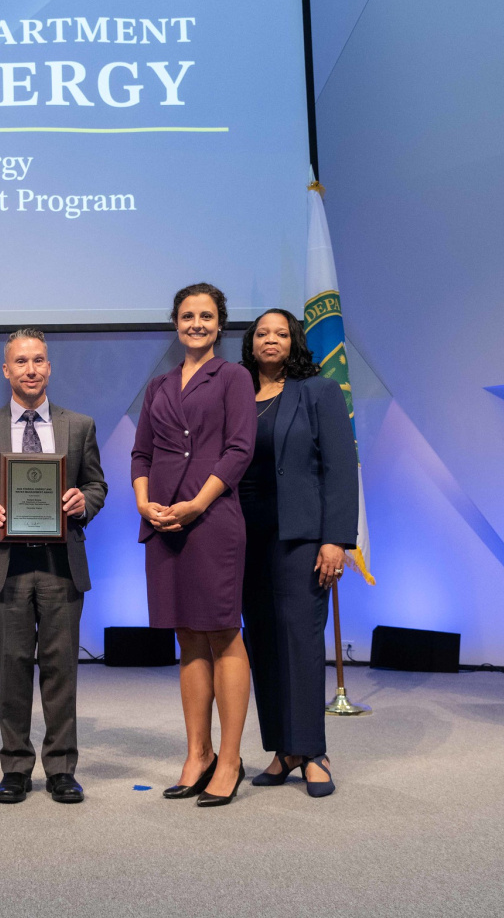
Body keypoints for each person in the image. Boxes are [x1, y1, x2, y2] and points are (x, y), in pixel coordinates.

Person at [0, 328, 107, 804]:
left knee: (62, 669)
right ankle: (16, 768)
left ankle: (62, 768)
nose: (31, 370)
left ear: (49, 367)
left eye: (39, 360)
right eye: (21, 362)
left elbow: (98, 486)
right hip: (5, 566)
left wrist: (84, 501)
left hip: (61, 565)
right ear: (6, 370)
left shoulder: (79, 425)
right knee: (12, 668)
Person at [130, 283, 256, 807]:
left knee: (223, 634)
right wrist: (143, 503)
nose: (196, 324)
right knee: (187, 638)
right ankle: (197, 754)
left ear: (219, 324)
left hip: (212, 520)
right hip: (163, 525)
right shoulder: (158, 385)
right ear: (175, 323)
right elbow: (141, 454)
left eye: (206, 316)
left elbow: (239, 449)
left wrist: (196, 504)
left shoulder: (233, 377)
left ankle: (230, 760)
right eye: (187, 316)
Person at [239, 309, 357, 798]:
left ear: (295, 341)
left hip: (302, 536)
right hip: (243, 537)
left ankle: (312, 751)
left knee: (301, 640)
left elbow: (341, 467)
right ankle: (283, 749)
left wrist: (335, 539)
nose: (271, 340)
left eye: (280, 333)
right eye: (262, 333)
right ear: (250, 343)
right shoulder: (237, 394)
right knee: (262, 641)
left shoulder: (318, 391)